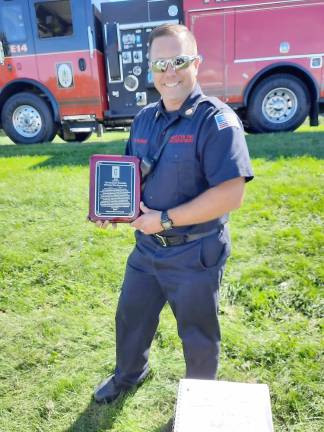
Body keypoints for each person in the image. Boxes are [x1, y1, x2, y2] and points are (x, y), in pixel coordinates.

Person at [93, 24, 253, 403]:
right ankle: (130, 374)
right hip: (148, 249)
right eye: (161, 63)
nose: (170, 72)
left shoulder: (217, 121)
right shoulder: (144, 118)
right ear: (151, 69)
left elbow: (232, 194)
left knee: (197, 334)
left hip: (195, 252)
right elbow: (131, 174)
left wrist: (164, 219)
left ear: (196, 63)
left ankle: (198, 401)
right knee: (131, 317)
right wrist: (111, 208)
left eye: (179, 61)